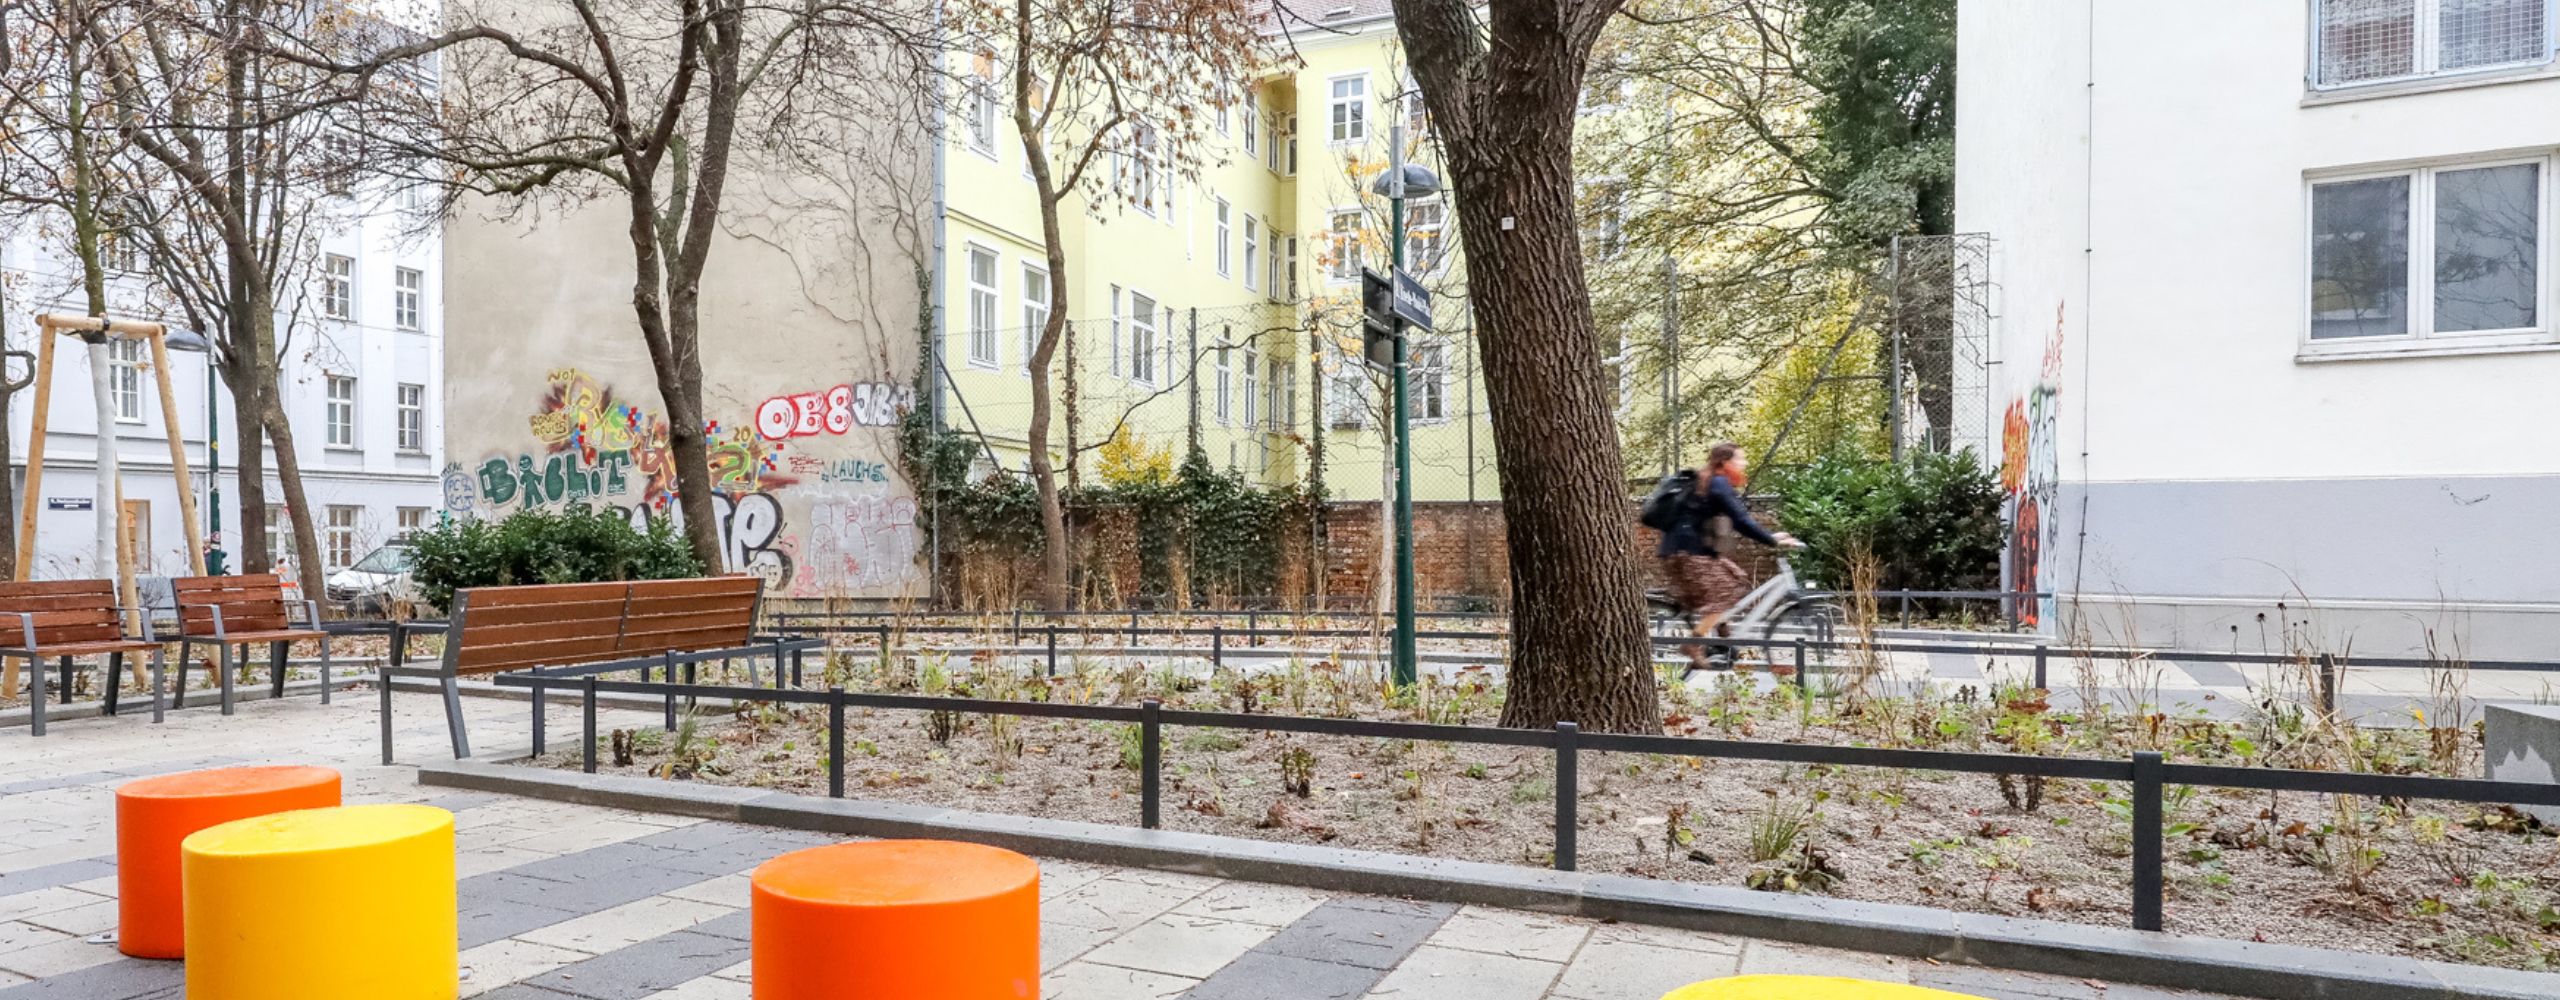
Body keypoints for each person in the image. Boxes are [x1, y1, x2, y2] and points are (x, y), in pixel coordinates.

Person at [1657, 442, 1797, 671]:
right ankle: (1693, 643)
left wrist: (1770, 536)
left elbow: (1739, 519)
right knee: (1722, 597)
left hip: (1686, 551)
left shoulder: (1711, 481)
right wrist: (1772, 539)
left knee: (1736, 578)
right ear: (1725, 462)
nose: (1745, 464)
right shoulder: (1718, 482)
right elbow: (1741, 520)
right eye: (1740, 459)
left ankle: (1722, 642)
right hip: (1687, 553)